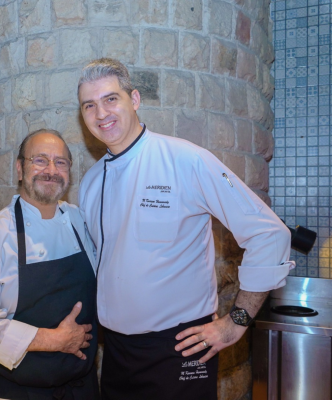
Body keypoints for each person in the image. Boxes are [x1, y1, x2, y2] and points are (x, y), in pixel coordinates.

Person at [77, 58, 295, 400]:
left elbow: (270, 233)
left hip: (180, 346)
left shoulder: (186, 159)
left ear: (134, 99)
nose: (101, 112)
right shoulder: (91, 183)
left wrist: (236, 321)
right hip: (117, 353)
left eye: (111, 99)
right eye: (89, 105)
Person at [0, 129, 100, 400]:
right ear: (19, 169)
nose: (51, 170)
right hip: (16, 391)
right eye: (40, 160)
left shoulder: (81, 222)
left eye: (60, 162)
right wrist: (54, 340)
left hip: (81, 388)